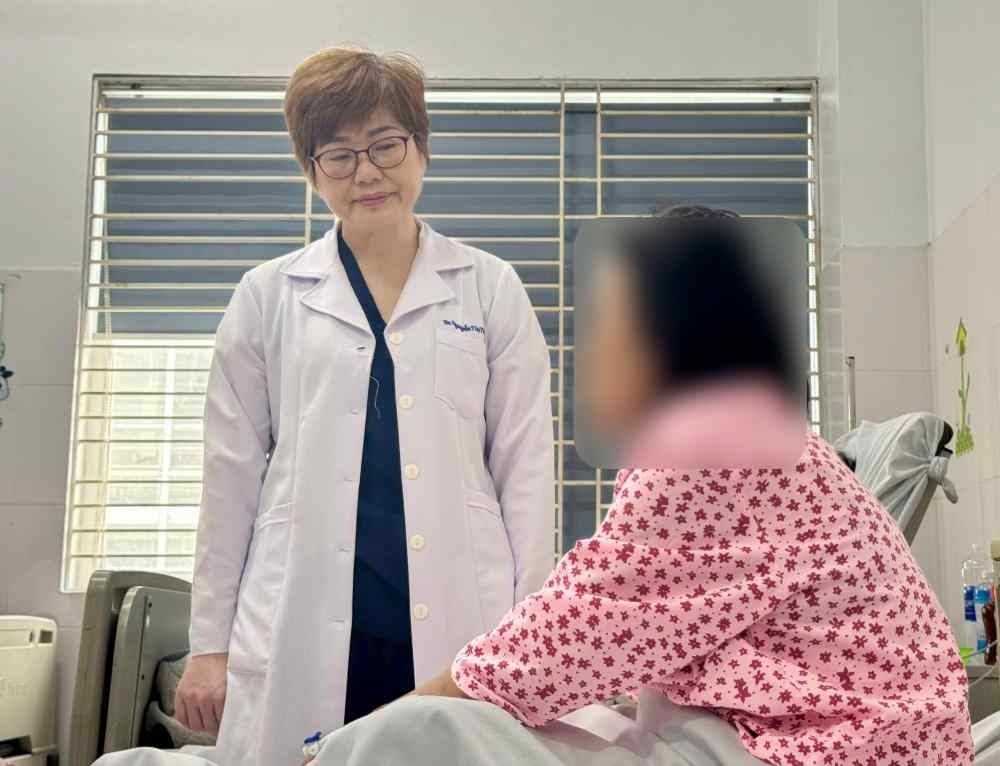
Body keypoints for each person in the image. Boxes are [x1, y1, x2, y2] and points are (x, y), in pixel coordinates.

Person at [301, 207, 973, 765]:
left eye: (610, 319)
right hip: (872, 736)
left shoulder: (713, 442)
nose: (594, 345)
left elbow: (567, 634)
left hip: (838, 745)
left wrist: (378, 726)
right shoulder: (753, 430)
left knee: (421, 735)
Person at [161, 45, 554, 766]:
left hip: (461, 617)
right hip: (303, 613)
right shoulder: (267, 295)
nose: (366, 172)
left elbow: (525, 471)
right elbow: (229, 478)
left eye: (385, 145)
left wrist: (534, 642)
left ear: (422, 149)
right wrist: (209, 645)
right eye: (338, 155)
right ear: (311, 171)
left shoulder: (489, 287)